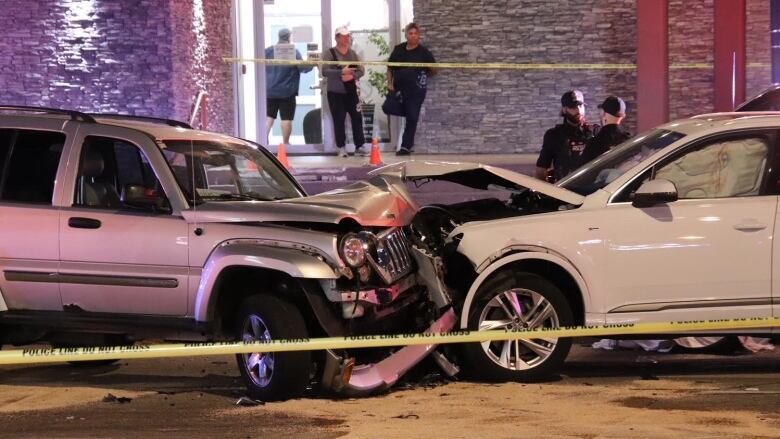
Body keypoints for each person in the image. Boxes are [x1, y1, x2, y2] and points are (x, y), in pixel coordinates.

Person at [387, 22, 437, 156]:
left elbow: (434, 70)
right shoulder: (398, 49)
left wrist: (428, 70)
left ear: (419, 36)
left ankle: (405, 147)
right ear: (406, 35)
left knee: (412, 117)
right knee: (389, 108)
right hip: (399, 89)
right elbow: (390, 67)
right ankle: (402, 143)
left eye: (416, 33)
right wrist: (389, 83)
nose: (413, 36)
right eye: (411, 33)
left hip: (416, 92)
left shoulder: (424, 52)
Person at [321, 26, 367, 158]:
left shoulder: (353, 54)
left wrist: (353, 76)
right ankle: (341, 147)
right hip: (335, 92)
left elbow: (361, 70)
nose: (347, 38)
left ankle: (360, 145)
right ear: (337, 38)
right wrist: (341, 72)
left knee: (357, 118)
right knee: (339, 119)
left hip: (351, 91)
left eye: (348, 35)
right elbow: (324, 71)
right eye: (344, 36)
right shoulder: (329, 53)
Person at [265, 28, 312, 146]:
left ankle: (262, 142)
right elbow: (303, 68)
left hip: (270, 91)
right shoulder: (293, 52)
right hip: (287, 92)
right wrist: (312, 63)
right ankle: (285, 144)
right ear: (289, 37)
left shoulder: (268, 51)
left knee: (269, 118)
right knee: (286, 119)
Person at [535, 90, 595, 182]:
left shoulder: (595, 132)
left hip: (592, 191)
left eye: (580, 105)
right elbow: (541, 169)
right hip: (564, 191)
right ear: (564, 109)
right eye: (573, 107)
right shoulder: (554, 135)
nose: (578, 110)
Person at [580, 96, 631, 164]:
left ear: (604, 114)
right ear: (623, 115)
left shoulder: (594, 143)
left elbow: (582, 167)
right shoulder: (629, 141)